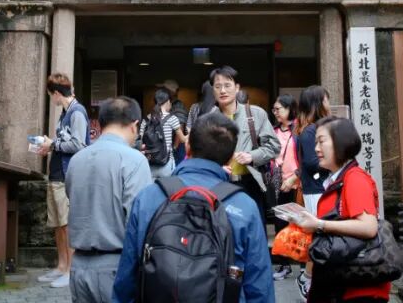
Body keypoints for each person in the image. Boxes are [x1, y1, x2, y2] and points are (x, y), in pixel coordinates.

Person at [112, 112, 275, 303]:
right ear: (231, 158)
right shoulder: (243, 206)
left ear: (187, 145)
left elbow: (127, 277)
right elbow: (259, 285)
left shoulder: (150, 197)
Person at [65, 97, 152, 303]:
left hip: (78, 267)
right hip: (117, 267)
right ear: (134, 125)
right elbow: (139, 220)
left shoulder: (76, 159)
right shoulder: (135, 160)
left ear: (101, 123)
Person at [294, 117, 389, 303]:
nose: (316, 149)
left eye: (321, 141)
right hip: (342, 283)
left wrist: (319, 224)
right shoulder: (338, 179)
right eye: (316, 143)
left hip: (356, 289)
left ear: (340, 143)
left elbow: (368, 227)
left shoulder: (354, 179)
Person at [36, 73, 90, 288]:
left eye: (51, 95)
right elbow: (65, 143)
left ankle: (70, 270)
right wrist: (50, 146)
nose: (52, 99)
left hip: (69, 175)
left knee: (67, 224)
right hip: (58, 173)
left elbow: (79, 145)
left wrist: (52, 144)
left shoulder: (77, 112)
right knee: (58, 224)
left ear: (57, 93)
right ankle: (61, 266)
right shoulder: (65, 112)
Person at [210, 66, 280, 218]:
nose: (223, 90)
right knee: (224, 227)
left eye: (227, 85)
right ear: (213, 90)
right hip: (219, 183)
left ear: (237, 88)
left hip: (250, 183)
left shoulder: (255, 114)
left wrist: (252, 156)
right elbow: (200, 155)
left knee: (254, 226)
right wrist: (216, 167)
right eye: (218, 86)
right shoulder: (208, 120)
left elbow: (274, 146)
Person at [284, 85, 331, 213]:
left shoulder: (314, 128)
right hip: (317, 190)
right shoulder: (310, 131)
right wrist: (335, 162)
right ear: (318, 104)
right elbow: (311, 162)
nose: (329, 104)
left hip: (319, 188)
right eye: (326, 100)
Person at [271, 93, 299, 281]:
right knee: (280, 225)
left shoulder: (299, 129)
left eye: (278, 109)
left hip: (297, 183)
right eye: (274, 109)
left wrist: (295, 177)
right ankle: (284, 264)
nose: (275, 112)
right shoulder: (273, 130)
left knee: (298, 226)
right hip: (278, 183)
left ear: (289, 109)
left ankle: (304, 265)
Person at [136, 87, 184, 179]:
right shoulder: (172, 118)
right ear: (168, 101)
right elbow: (182, 140)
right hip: (166, 164)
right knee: (168, 188)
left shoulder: (146, 119)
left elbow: (140, 140)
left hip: (149, 163)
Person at [157, 79, 189, 165]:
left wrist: (175, 147)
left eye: (164, 89)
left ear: (170, 92)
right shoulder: (168, 105)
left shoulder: (177, 106)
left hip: (177, 147)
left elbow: (180, 126)